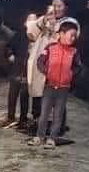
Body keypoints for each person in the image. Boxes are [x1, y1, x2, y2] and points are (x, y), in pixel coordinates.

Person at [28, 18, 82, 148]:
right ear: (62, 34)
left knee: (58, 115)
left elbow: (78, 67)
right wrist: (46, 71)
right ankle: (39, 137)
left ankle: (52, 138)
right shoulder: (51, 48)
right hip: (49, 86)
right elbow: (40, 61)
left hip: (63, 88)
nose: (73, 38)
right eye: (71, 35)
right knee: (44, 114)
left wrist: (70, 74)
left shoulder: (74, 52)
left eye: (75, 36)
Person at [2, 15, 31, 129]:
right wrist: (10, 55)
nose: (31, 22)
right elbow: (8, 47)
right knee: (13, 94)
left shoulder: (38, 36)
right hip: (17, 69)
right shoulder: (20, 34)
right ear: (25, 22)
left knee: (25, 96)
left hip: (28, 71)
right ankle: (10, 117)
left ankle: (23, 120)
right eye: (29, 19)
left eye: (34, 20)